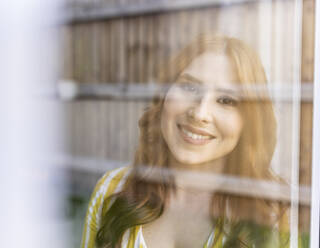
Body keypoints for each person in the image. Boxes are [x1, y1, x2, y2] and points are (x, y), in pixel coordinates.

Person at [80, 35, 289, 248]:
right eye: (189, 88)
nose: (200, 113)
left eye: (226, 100)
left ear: (249, 122)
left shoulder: (270, 215)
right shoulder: (113, 188)